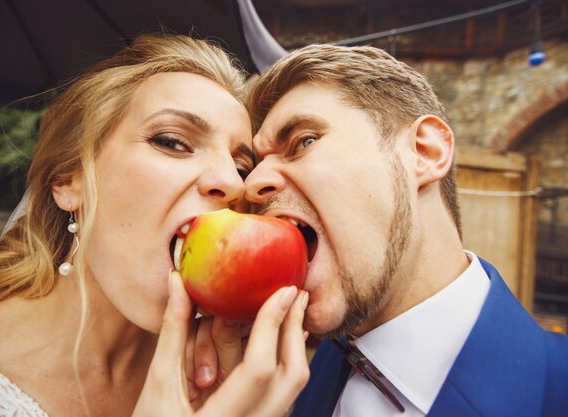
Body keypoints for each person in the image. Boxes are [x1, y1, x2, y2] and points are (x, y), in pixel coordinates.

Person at [0, 34, 310, 416]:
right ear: (69, 181)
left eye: (241, 167)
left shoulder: (232, 384)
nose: (234, 184)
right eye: (172, 141)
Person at [243, 43, 568, 417]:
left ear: (424, 152)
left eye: (304, 141)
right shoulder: (301, 379)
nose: (253, 184)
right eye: (254, 164)